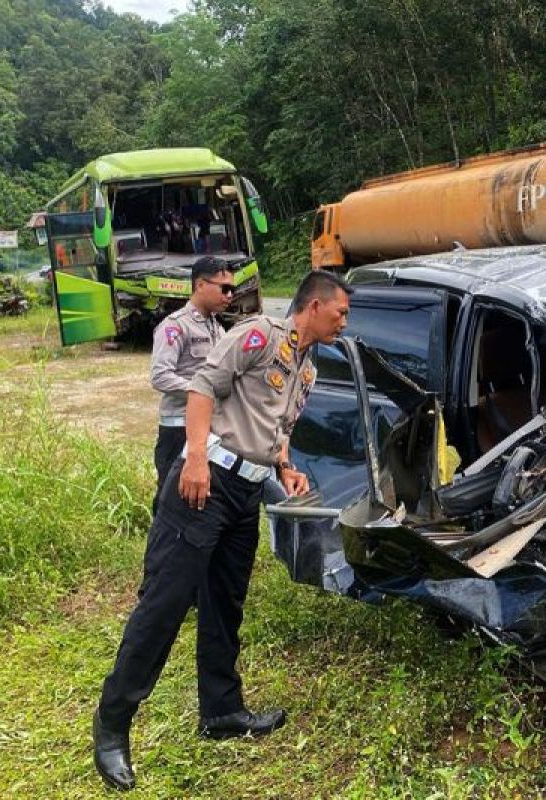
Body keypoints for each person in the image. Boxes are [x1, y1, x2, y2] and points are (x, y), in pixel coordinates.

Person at [92, 271, 352, 791]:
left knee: (225, 602)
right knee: (165, 604)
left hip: (246, 494)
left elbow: (275, 426)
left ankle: (221, 711)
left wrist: (284, 466)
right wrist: (192, 458)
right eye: (341, 311)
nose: (345, 320)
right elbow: (202, 387)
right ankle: (112, 724)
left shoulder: (306, 368)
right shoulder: (258, 336)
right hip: (204, 485)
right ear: (315, 305)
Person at [148, 256, 233, 519]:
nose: (230, 295)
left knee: (201, 498)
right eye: (224, 288)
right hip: (178, 428)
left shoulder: (218, 328)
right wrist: (201, 394)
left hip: (208, 427)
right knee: (170, 499)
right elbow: (160, 375)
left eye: (232, 289)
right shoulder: (175, 326)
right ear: (199, 285)